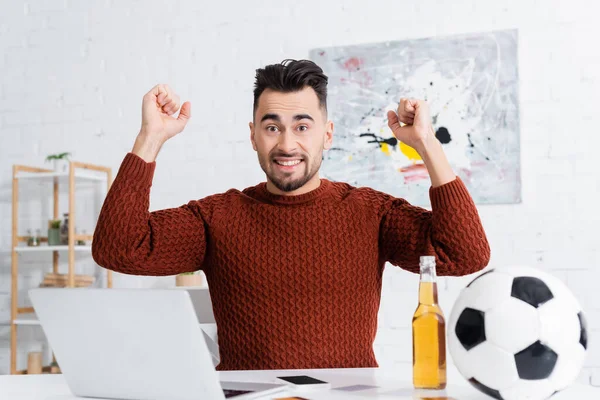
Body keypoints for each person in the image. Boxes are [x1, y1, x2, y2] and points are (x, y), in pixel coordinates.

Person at [92, 59, 490, 371]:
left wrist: (426, 143)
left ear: (327, 134)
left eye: (302, 126)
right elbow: (119, 249)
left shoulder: (372, 213)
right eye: (271, 127)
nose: (287, 144)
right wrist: (151, 137)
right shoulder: (216, 218)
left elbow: (464, 254)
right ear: (252, 135)